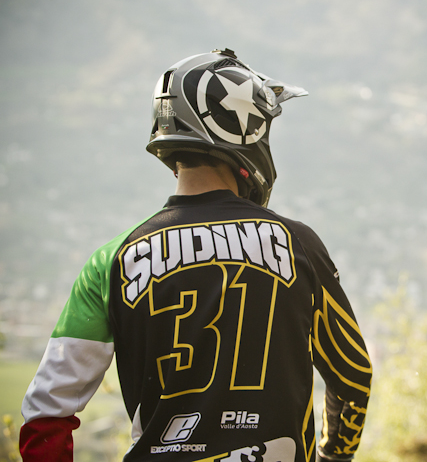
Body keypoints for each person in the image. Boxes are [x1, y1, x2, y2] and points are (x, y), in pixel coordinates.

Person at [20, 48, 372, 462]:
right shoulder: (298, 244)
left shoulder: (112, 260)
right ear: (244, 130)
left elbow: (46, 412)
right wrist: (334, 455)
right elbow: (353, 376)